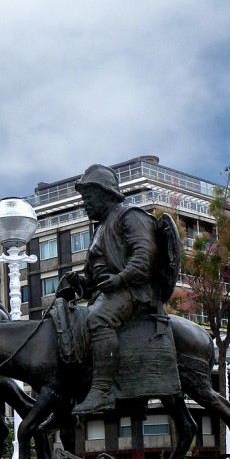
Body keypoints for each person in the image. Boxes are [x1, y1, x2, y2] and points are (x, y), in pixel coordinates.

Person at [65, 164, 162, 415]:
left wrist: (120, 279)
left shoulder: (130, 216)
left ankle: (102, 391)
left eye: (88, 198)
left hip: (135, 292)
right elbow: (93, 276)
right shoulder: (99, 229)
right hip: (108, 293)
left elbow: (145, 256)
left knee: (99, 317)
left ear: (105, 194)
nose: (84, 204)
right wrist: (80, 283)